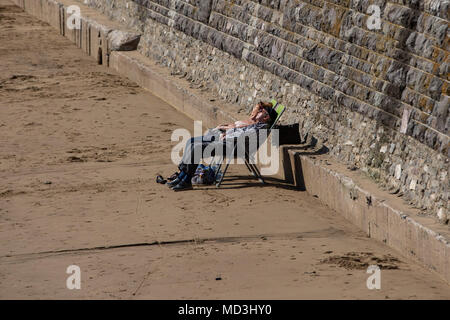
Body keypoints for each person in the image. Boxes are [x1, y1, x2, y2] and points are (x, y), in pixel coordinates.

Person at [167, 101, 277, 191]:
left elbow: (242, 137)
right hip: (228, 143)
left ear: (266, 117)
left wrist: (227, 134)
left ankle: (186, 180)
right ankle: (182, 175)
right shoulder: (255, 124)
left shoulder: (260, 128)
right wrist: (226, 132)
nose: (259, 110)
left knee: (197, 148)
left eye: (262, 110)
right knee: (192, 144)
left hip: (233, 147)